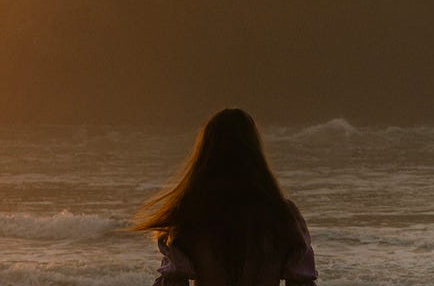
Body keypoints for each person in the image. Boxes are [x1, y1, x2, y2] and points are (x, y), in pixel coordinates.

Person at [132, 108, 318, 286]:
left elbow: (173, 281)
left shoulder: (192, 214)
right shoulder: (281, 214)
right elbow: (301, 281)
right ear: (255, 150)